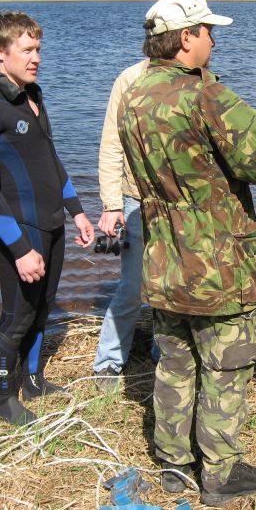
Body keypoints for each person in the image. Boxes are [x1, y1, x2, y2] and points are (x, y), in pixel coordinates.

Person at [117, 0, 256, 507]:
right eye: (208, 31)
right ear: (187, 37)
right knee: (226, 363)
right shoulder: (203, 94)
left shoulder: (135, 94)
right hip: (217, 260)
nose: (214, 40)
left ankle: (174, 461)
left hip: (165, 256)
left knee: (175, 357)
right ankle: (219, 472)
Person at [0, 10, 94, 426]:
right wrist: (19, 249)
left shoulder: (34, 96)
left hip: (52, 223)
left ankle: (33, 380)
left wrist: (77, 211)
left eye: (39, 49)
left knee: (43, 308)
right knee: (17, 316)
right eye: (27, 49)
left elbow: (49, 160)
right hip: (21, 229)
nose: (36, 57)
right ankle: (4, 400)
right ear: (1, 53)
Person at [92, 58, 150, 392]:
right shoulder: (130, 79)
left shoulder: (200, 76)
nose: (212, 42)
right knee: (132, 287)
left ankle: (164, 351)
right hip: (135, 200)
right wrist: (112, 204)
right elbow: (112, 145)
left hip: (181, 204)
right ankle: (109, 361)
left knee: (171, 285)